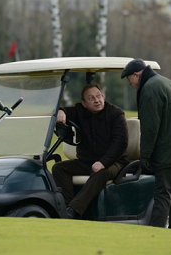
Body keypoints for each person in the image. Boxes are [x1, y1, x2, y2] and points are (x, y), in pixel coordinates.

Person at [121, 59, 171, 230]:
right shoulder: (166, 82)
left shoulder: (149, 89)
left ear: (136, 74)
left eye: (129, 80)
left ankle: (156, 237)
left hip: (167, 153)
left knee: (162, 196)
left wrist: (145, 156)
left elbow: (150, 127)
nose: (130, 84)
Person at [52, 83, 130, 219]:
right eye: (91, 98)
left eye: (98, 96)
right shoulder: (80, 111)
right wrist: (60, 111)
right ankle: (65, 208)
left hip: (114, 161)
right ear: (84, 103)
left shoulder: (116, 114)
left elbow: (120, 143)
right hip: (88, 161)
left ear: (103, 96)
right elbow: (66, 110)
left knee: (100, 173)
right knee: (59, 168)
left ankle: (73, 210)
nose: (97, 100)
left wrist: (103, 162)